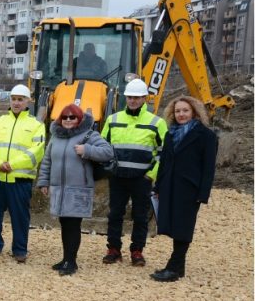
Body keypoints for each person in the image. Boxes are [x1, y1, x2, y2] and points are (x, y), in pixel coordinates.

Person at [37, 104, 114, 276]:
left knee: (73, 225)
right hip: (59, 189)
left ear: (79, 119)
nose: (68, 120)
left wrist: (87, 150)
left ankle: (71, 262)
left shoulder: (89, 135)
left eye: (72, 117)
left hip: (78, 190)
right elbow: (47, 161)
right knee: (65, 224)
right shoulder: (55, 137)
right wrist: (43, 182)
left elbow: (108, 152)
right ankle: (66, 258)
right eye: (65, 117)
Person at [150, 96, 217, 282]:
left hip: (190, 188)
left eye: (185, 110)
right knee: (173, 224)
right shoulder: (170, 133)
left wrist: (203, 194)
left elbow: (208, 168)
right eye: (178, 111)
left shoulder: (206, 136)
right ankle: (179, 268)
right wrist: (158, 185)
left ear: (194, 112)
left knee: (183, 226)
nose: (181, 114)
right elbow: (164, 162)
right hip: (170, 185)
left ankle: (173, 267)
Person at [101, 79, 168, 266]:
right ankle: (113, 249)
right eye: (130, 97)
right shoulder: (113, 120)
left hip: (142, 179)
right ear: (125, 98)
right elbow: (103, 146)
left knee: (140, 216)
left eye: (137, 98)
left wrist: (151, 175)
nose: (133, 101)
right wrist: (108, 168)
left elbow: (165, 153)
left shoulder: (157, 122)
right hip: (118, 177)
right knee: (115, 214)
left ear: (144, 98)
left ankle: (137, 251)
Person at [0, 84, 45, 263]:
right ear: (10, 100)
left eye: (20, 99)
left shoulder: (35, 125)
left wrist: (12, 164)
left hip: (20, 179)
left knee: (20, 216)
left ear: (28, 101)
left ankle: (20, 249)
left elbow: (36, 151)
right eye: (14, 99)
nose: (16, 103)